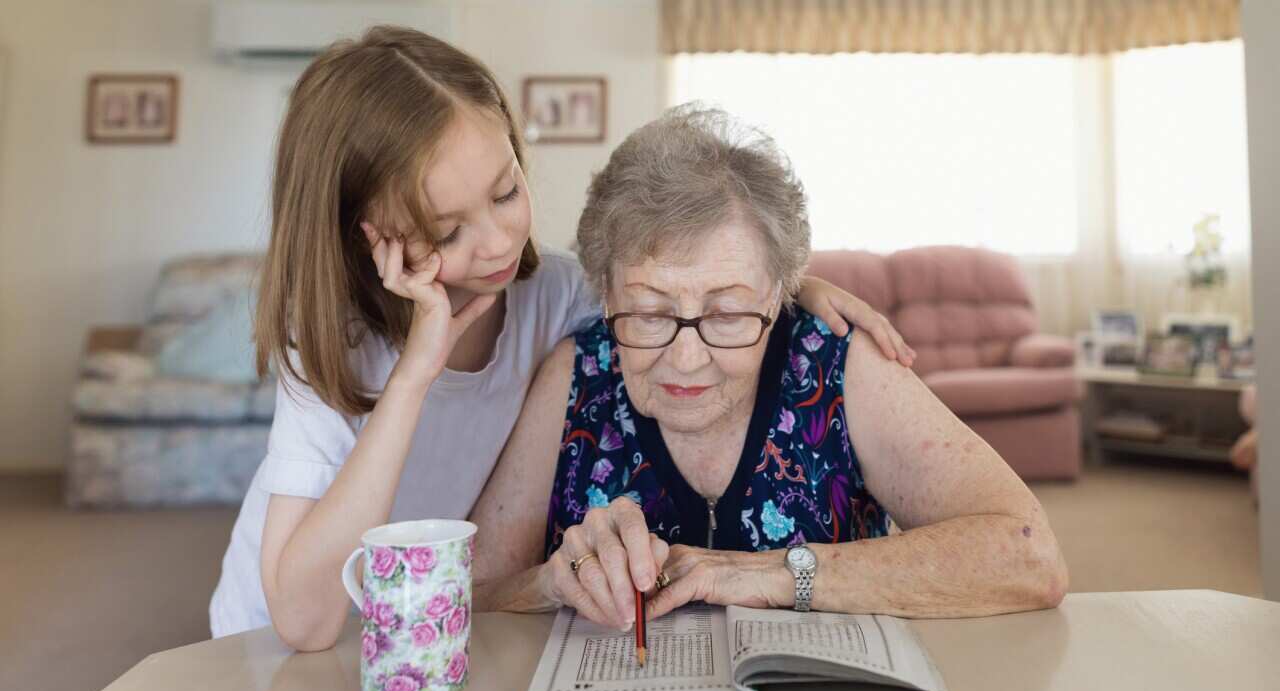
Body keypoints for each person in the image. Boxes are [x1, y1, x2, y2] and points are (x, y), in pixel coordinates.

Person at [208, 27, 914, 648]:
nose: (497, 245)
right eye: (449, 231)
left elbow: (667, 286)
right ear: (367, 237)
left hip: (420, 626)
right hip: (276, 640)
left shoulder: (551, 295)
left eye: (507, 191)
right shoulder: (327, 341)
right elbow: (303, 624)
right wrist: (414, 374)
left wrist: (791, 285)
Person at [470, 106, 1068, 628]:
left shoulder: (837, 363)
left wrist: (768, 575)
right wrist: (548, 585)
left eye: (728, 313)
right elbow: (471, 593)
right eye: (649, 313)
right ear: (603, 292)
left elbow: (1030, 556)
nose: (686, 357)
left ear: (778, 293)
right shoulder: (576, 374)